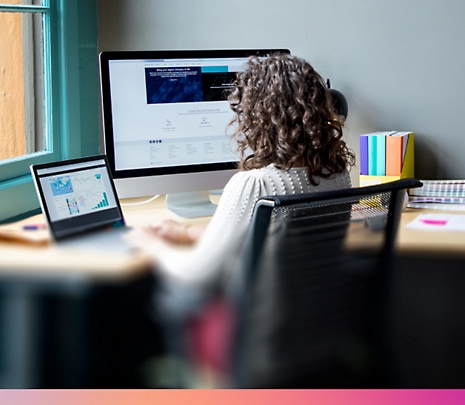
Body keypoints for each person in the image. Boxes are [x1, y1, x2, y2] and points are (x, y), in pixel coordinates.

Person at [126, 52, 355, 320]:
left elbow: (197, 273)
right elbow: (272, 247)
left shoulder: (254, 185)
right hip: (315, 328)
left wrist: (152, 244)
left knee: (160, 302)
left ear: (258, 117)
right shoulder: (337, 174)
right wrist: (187, 232)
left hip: (253, 340)